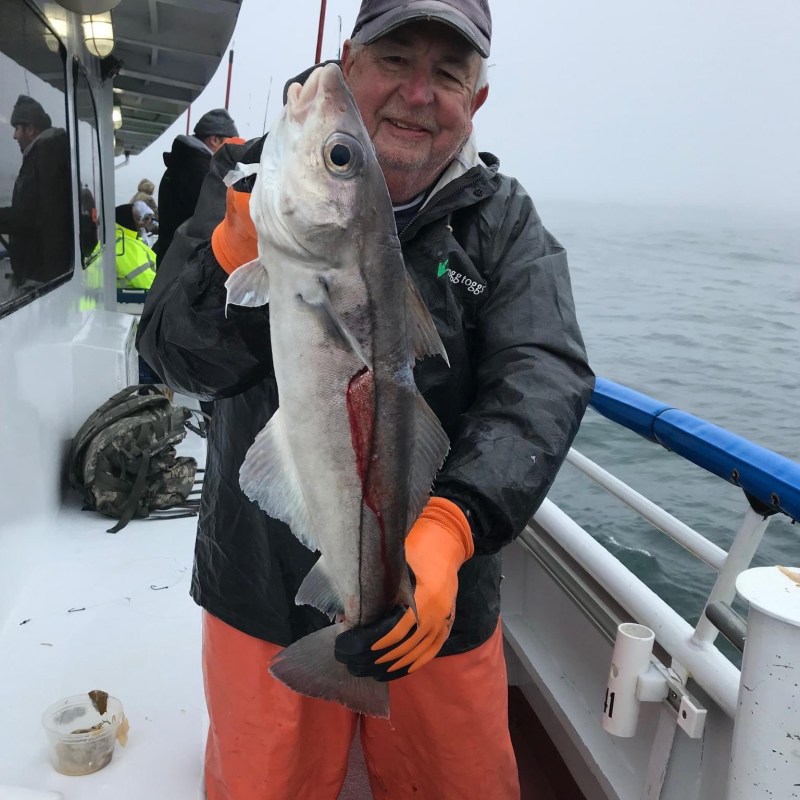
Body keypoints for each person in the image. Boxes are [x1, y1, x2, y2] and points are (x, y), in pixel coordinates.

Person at [137, 1, 594, 797]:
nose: (419, 94)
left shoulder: (501, 222)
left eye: (448, 74)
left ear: (476, 99)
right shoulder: (253, 181)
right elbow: (172, 356)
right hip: (261, 583)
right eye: (395, 61)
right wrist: (226, 258)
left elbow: (542, 373)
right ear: (348, 65)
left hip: (437, 598)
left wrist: (457, 523)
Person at [0, 94, 71, 288]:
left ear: (30, 129)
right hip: (46, 270)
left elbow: (32, 217)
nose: (14, 136)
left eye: (17, 129)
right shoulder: (47, 154)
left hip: (42, 274)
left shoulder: (46, 158)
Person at [153, 108, 239, 266]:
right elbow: (212, 219)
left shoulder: (182, 162)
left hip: (171, 259)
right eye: (231, 143)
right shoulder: (200, 170)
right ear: (215, 140)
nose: (233, 150)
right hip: (184, 266)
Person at [114, 203, 156, 291]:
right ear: (128, 221)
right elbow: (148, 283)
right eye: (140, 219)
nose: (143, 224)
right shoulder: (126, 248)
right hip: (133, 301)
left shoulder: (115, 241)